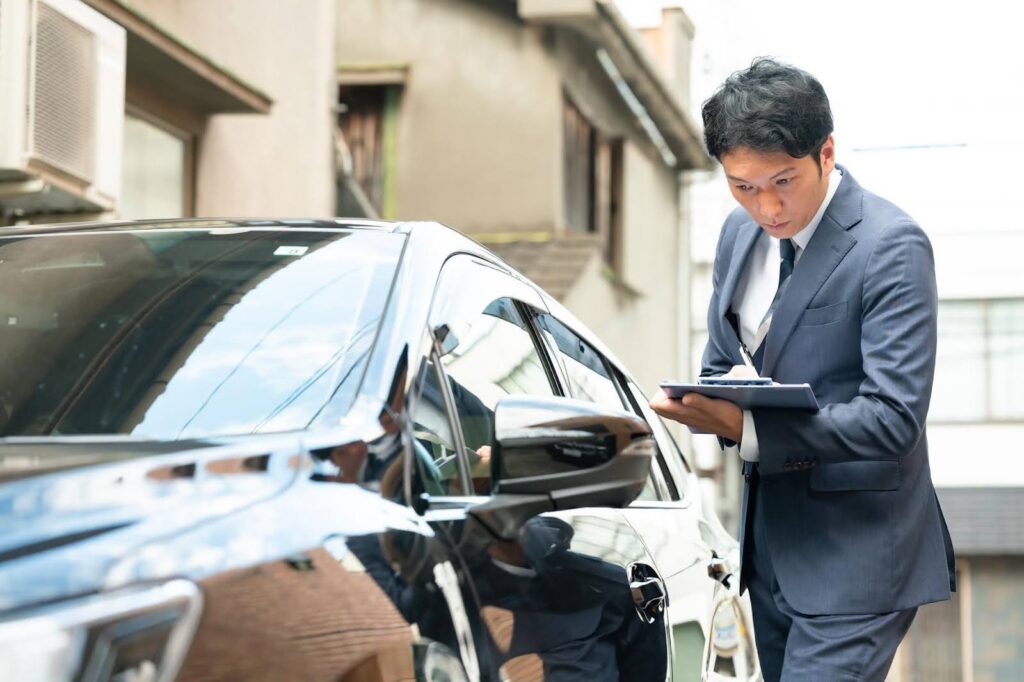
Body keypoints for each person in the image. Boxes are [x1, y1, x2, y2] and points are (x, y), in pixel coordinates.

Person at [649, 58, 956, 681]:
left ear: (827, 152)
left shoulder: (890, 245)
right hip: (770, 548)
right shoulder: (737, 235)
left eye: (783, 181)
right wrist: (705, 402)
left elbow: (893, 419)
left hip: (860, 555)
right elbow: (723, 360)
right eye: (742, 185)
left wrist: (750, 428)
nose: (766, 206)